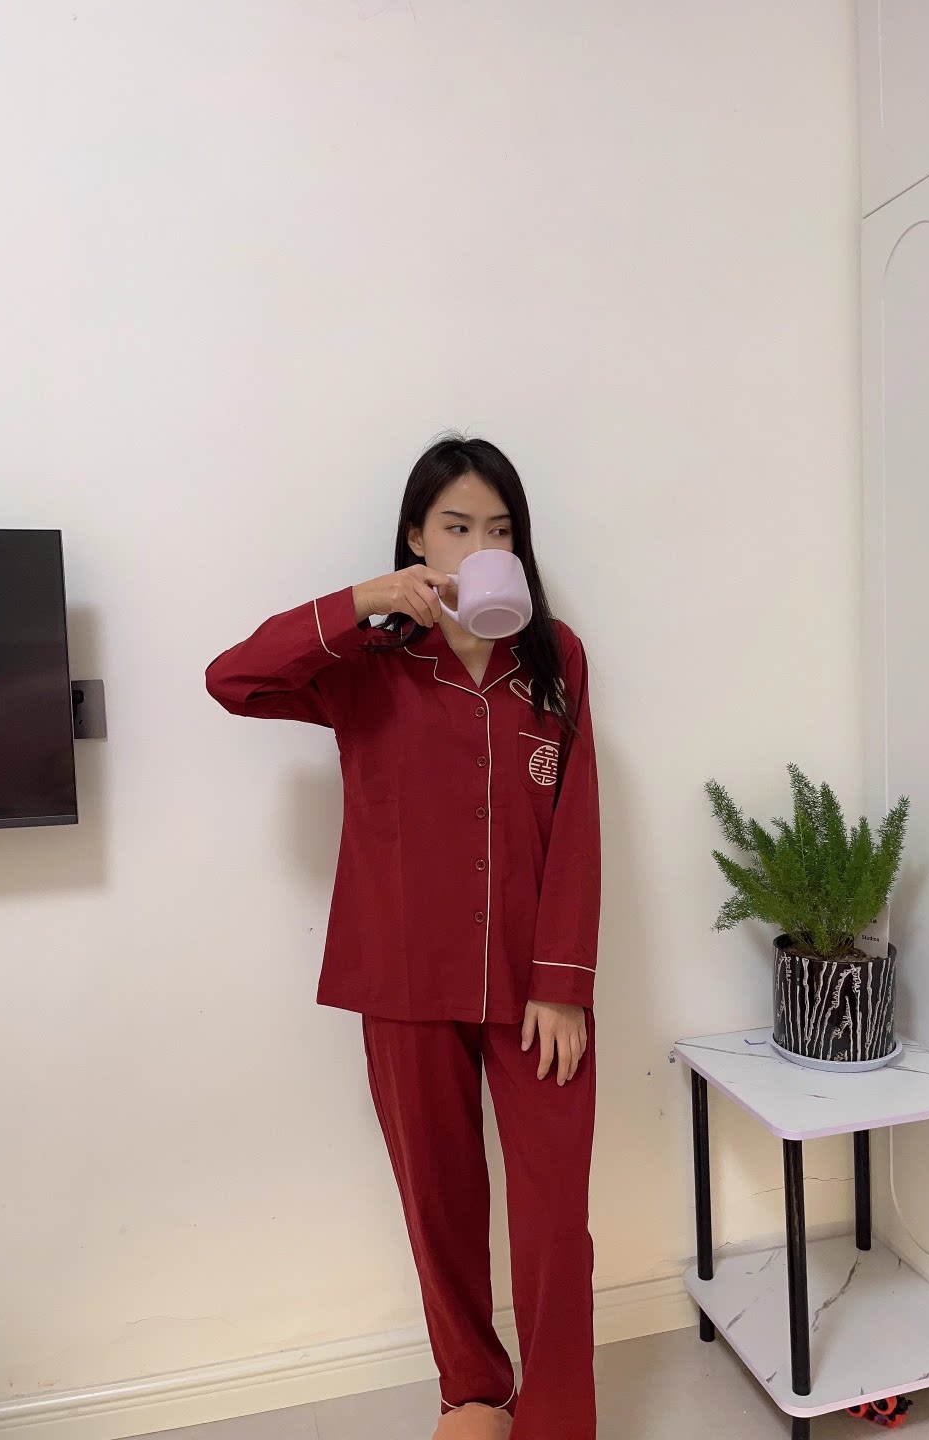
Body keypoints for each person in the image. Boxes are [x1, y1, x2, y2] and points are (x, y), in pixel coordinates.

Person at [205, 434, 601, 1440]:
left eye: (500, 531)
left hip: (533, 986)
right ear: (417, 538)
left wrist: (563, 983)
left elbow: (578, 823)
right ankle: (474, 1393)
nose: (480, 549)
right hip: (403, 976)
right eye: (457, 528)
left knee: (555, 1223)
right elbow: (233, 680)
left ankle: (558, 1417)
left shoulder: (554, 660)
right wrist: (360, 603)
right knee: (440, 1205)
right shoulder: (369, 662)